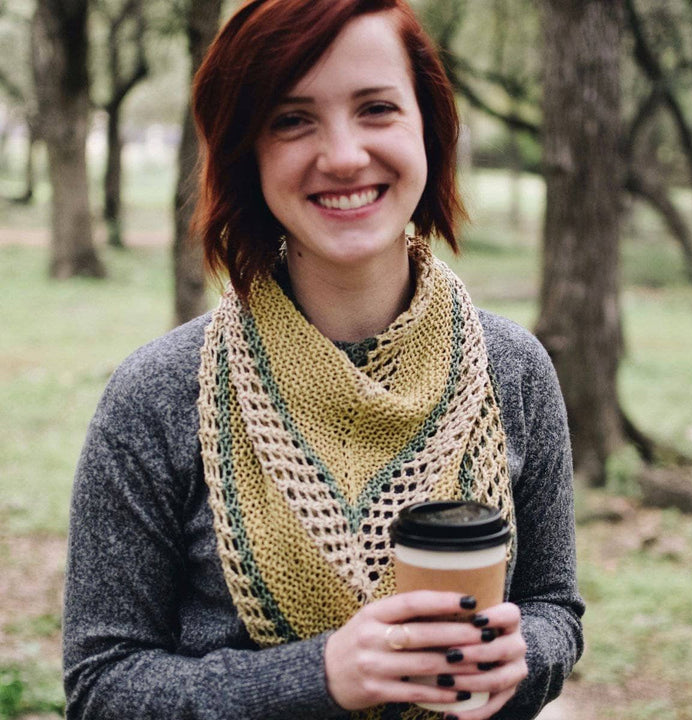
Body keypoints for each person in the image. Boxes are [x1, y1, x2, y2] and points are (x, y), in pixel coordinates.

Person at [63, 0, 584, 718]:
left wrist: (520, 658)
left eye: (376, 109)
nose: (342, 155)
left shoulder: (514, 371)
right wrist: (322, 676)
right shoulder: (156, 396)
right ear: (247, 151)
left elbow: (555, 609)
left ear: (428, 128)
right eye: (291, 119)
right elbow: (100, 687)